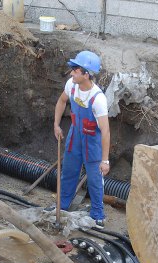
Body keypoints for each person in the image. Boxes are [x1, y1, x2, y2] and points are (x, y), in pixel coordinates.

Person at [53, 51, 110, 228]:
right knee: (68, 172)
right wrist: (56, 124)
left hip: (92, 141)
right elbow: (62, 101)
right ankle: (62, 206)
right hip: (74, 135)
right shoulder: (71, 85)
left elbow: (106, 131)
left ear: (86, 74)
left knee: (94, 178)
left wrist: (105, 160)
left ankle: (98, 215)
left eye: (75, 70)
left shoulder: (98, 98)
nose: (71, 73)